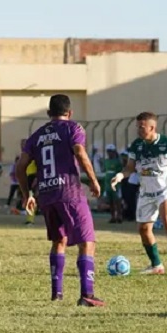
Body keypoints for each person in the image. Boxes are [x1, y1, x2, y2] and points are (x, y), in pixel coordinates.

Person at [15, 94, 105, 307]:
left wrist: (27, 194)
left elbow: (20, 167)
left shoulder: (36, 135)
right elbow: (80, 152)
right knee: (87, 241)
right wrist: (93, 180)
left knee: (59, 241)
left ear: (49, 113)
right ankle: (87, 294)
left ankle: (57, 293)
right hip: (69, 191)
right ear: (70, 112)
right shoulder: (73, 128)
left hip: (46, 193)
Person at [111, 112, 167, 276]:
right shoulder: (136, 145)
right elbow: (130, 167)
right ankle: (157, 265)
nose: (138, 130)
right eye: (137, 127)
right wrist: (121, 176)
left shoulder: (166, 143)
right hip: (146, 193)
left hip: (165, 190)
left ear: (152, 127)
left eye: (141, 127)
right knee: (143, 229)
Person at [102, 144, 123, 223]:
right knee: (110, 201)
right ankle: (113, 216)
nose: (109, 153)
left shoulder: (117, 161)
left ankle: (119, 216)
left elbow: (120, 172)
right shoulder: (106, 161)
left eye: (111, 151)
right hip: (107, 183)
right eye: (108, 151)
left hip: (116, 184)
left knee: (117, 200)